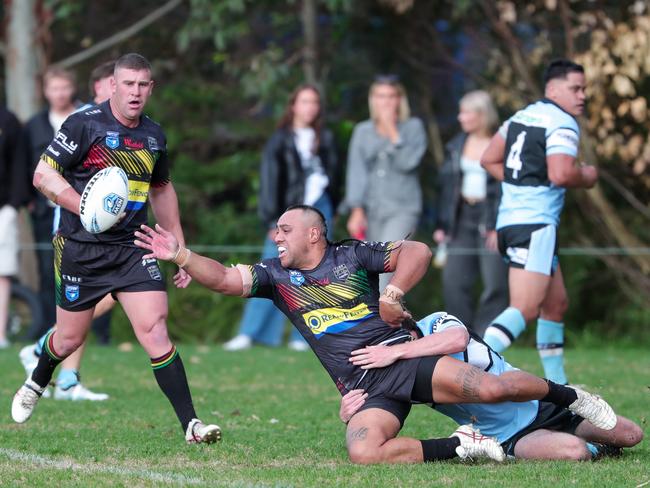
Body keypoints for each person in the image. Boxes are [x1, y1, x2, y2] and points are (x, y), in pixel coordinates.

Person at [134, 204, 617, 464]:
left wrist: (395, 292)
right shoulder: (275, 279)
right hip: (363, 387)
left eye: (284, 230)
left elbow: (419, 251)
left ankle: (570, 395)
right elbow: (220, 277)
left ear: (313, 235)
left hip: (401, 356)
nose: (276, 237)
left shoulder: (351, 256)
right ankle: (461, 446)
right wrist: (180, 255)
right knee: (364, 452)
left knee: (489, 387)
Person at [11, 53, 220, 445]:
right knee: (69, 339)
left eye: (143, 85)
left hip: (132, 246)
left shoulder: (154, 136)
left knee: (155, 329)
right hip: (80, 248)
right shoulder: (84, 124)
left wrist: (179, 247)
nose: (135, 92)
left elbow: (161, 188)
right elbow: (43, 174)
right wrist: (85, 208)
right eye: (128, 84)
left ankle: (191, 425)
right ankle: (38, 381)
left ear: (151, 88)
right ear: (112, 85)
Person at [339, 311, 643, 460]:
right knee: (575, 453)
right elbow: (375, 407)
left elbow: (458, 338)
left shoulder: (434, 323)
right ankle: (596, 448)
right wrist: (350, 412)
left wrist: (398, 350)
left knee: (632, 434)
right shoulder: (396, 372)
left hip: (539, 399)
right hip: (507, 434)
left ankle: (572, 397)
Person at [480, 59, 598, 386]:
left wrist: (521, 188)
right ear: (552, 89)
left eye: (584, 88)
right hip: (534, 226)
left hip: (513, 223)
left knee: (555, 304)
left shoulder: (521, 116)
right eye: (575, 88)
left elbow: (488, 158)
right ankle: (472, 370)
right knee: (525, 308)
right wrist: (587, 176)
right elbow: (561, 172)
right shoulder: (562, 122)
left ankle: (559, 386)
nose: (582, 95)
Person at [20, 60, 117, 401]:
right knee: (88, 299)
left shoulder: (129, 125)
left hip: (112, 229)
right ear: (100, 87)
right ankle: (53, 361)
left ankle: (59, 368)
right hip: (78, 229)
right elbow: (47, 172)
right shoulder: (85, 122)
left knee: (109, 295)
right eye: (116, 83)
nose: (127, 91)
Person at [224, 84, 339, 352]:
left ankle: (305, 337)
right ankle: (250, 333)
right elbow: (269, 181)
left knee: (317, 272)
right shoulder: (280, 139)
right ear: (293, 106)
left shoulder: (327, 138)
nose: (310, 107)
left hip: (320, 209)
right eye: (304, 102)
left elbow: (335, 177)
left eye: (314, 102)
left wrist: (333, 205)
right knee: (271, 271)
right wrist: (270, 221)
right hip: (288, 213)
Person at [433, 90, 508, 337]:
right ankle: (462, 336)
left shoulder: (502, 144)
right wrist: (443, 225)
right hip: (461, 217)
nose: (460, 118)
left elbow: (506, 188)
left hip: (491, 220)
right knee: (453, 281)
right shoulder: (456, 145)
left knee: (495, 283)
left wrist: (498, 225)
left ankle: (489, 338)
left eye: (466, 112)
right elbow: (446, 188)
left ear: (482, 115)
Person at [344, 75, 426, 291]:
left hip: (402, 209)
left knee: (385, 277)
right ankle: (390, 323)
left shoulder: (413, 127)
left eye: (391, 96)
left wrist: (392, 132)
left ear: (400, 99)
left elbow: (408, 163)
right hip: (371, 210)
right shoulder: (362, 131)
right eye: (380, 96)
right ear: (373, 99)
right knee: (368, 274)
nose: (386, 102)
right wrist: (356, 209)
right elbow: (356, 171)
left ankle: (384, 323)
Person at [24, 67, 83, 337]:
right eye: (54, 88)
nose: (60, 94)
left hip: (84, 208)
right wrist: (29, 200)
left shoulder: (87, 117)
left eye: (64, 87)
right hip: (47, 211)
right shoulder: (34, 125)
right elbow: (27, 166)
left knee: (89, 269)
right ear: (46, 92)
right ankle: (50, 332)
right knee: (49, 271)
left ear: (72, 88)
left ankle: (97, 334)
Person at [0, 105, 30, 348]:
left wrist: (13, 206)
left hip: (4, 209)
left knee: (2, 273)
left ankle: (0, 335)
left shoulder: (8, 120)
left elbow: (19, 167)